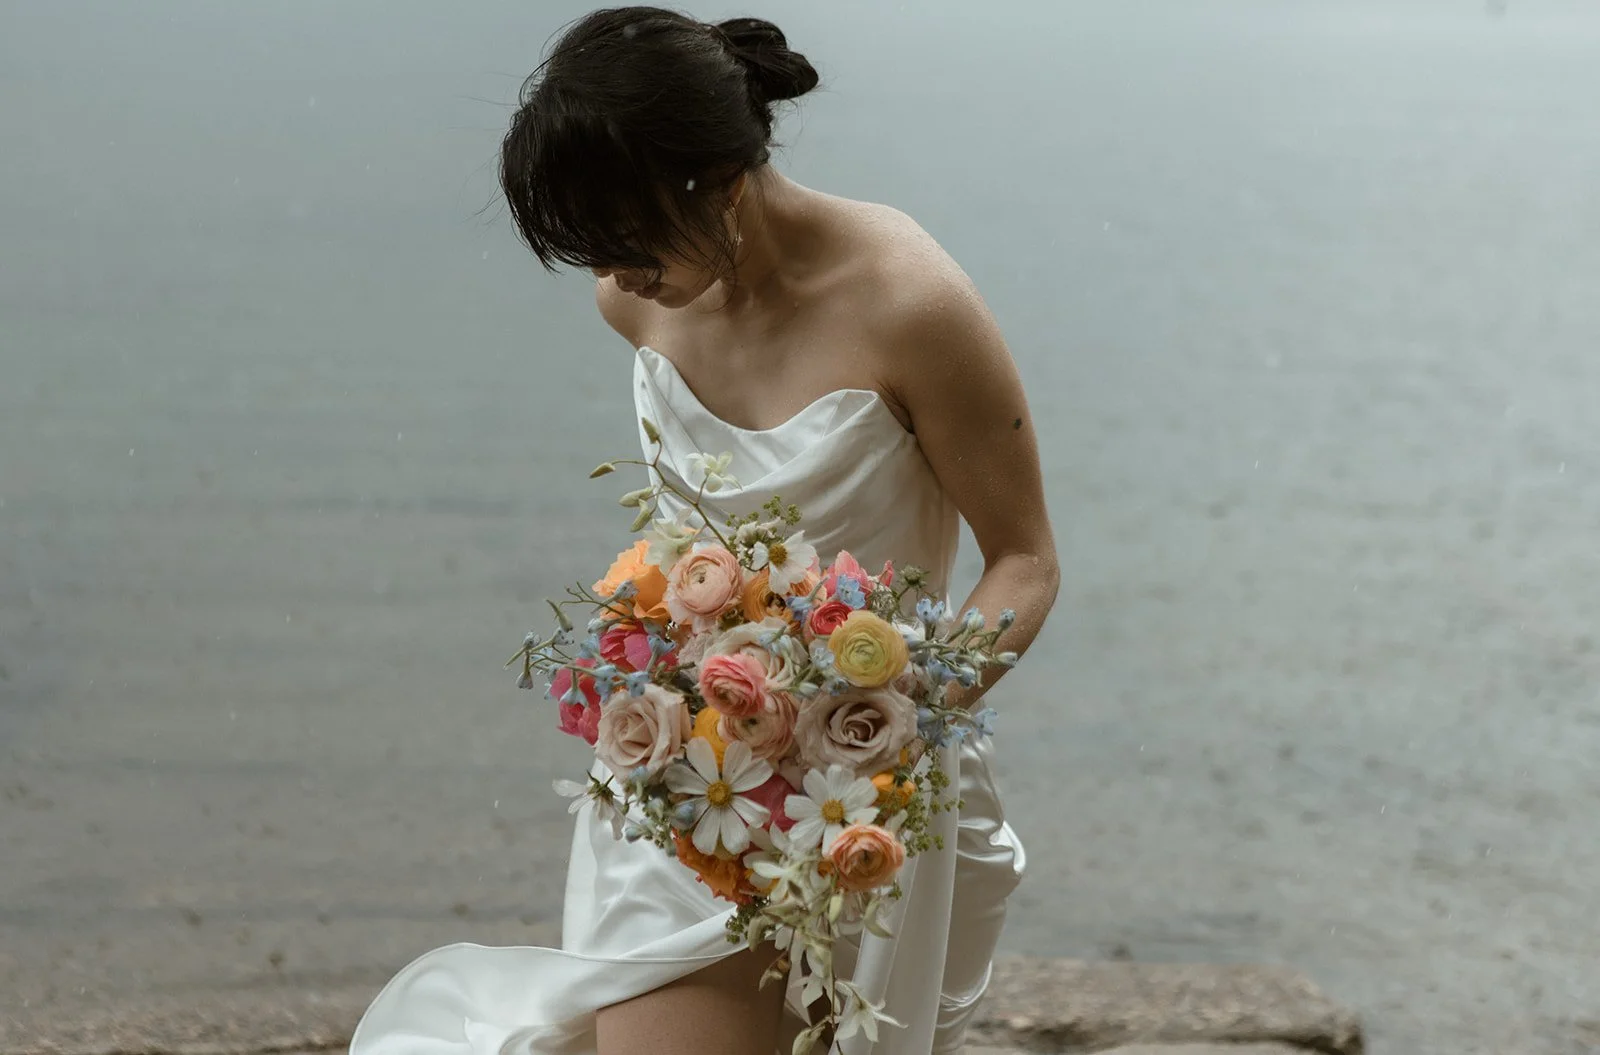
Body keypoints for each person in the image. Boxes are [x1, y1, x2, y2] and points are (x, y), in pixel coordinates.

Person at [350, 8, 1057, 1054]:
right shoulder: (632, 304)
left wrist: (888, 711)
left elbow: (1025, 563)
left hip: (863, 787)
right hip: (682, 771)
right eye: (591, 250)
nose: (615, 277)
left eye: (629, 242)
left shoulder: (911, 303)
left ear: (721, 185)